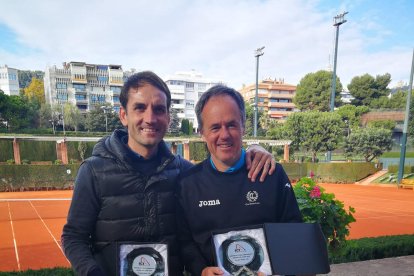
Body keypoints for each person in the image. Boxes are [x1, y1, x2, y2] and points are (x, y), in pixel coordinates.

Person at [62, 71, 276, 276]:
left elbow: (195, 237)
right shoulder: (93, 171)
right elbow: (73, 238)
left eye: (158, 109)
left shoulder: (184, 172)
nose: (150, 118)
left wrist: (255, 149)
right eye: (139, 108)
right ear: (123, 115)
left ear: (167, 117)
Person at [176, 85, 303, 276]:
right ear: (202, 132)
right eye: (215, 127)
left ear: (243, 125)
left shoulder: (271, 173)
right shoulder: (187, 184)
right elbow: (185, 243)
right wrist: (201, 270)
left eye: (232, 125)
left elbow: (293, 233)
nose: (224, 135)